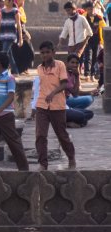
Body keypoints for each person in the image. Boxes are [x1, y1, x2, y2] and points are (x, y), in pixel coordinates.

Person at [34, 41, 76, 170]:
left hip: (57, 106)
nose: (45, 55)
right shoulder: (40, 68)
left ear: (53, 52)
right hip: (42, 105)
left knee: (61, 135)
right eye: (42, 53)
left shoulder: (60, 65)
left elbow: (64, 84)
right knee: (40, 135)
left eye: (47, 52)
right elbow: (38, 87)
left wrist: (53, 93)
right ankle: (43, 163)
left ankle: (71, 158)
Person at [0, 0, 22, 75]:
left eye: (6, 0)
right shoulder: (3, 11)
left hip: (11, 35)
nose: (4, 2)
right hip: (3, 34)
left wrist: (20, 38)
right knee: (9, 54)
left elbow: (19, 25)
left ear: (11, 1)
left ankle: (2, 71)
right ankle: (15, 71)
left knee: (4, 53)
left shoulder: (15, 11)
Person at [64, 53, 99, 122]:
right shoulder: (65, 74)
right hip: (62, 102)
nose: (75, 65)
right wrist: (77, 77)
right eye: (72, 62)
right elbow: (75, 94)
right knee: (88, 100)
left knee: (89, 112)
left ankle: (72, 112)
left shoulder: (72, 73)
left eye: (77, 63)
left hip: (67, 100)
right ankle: (70, 113)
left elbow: (77, 91)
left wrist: (90, 92)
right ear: (67, 63)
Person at [12, 0, 35, 75]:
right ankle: (20, 68)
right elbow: (16, 24)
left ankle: (25, 68)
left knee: (28, 51)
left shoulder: (21, 10)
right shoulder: (14, 10)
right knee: (20, 52)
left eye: (23, 0)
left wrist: (26, 31)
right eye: (21, 0)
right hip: (18, 33)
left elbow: (23, 24)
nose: (22, 2)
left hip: (23, 32)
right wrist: (22, 33)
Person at [82, 1, 105, 81]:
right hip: (87, 40)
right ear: (86, 9)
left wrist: (102, 42)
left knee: (95, 57)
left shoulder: (99, 18)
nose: (90, 11)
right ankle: (86, 75)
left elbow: (103, 29)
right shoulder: (83, 17)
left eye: (92, 9)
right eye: (88, 9)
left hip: (96, 40)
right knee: (88, 56)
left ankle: (92, 75)